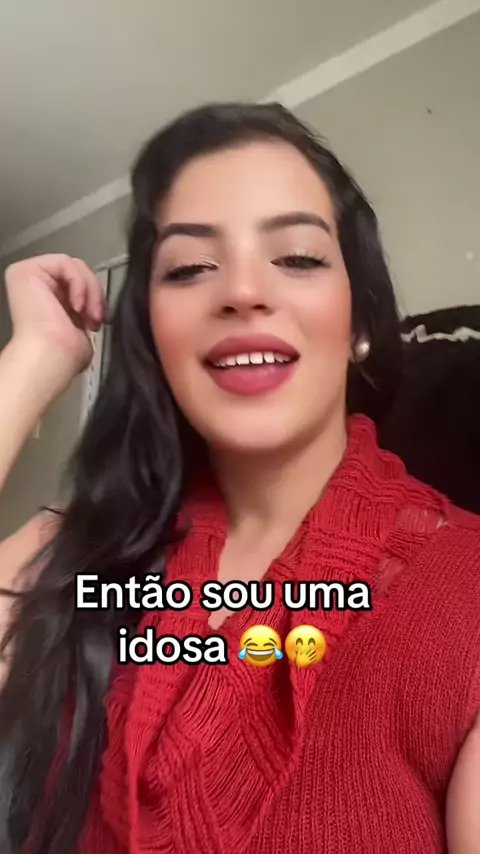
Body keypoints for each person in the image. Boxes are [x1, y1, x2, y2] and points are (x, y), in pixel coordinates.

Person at [0, 103, 478, 854]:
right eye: (190, 268)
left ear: (358, 317)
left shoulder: (467, 594)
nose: (243, 291)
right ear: (153, 335)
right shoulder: (71, 552)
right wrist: (33, 361)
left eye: (298, 257)